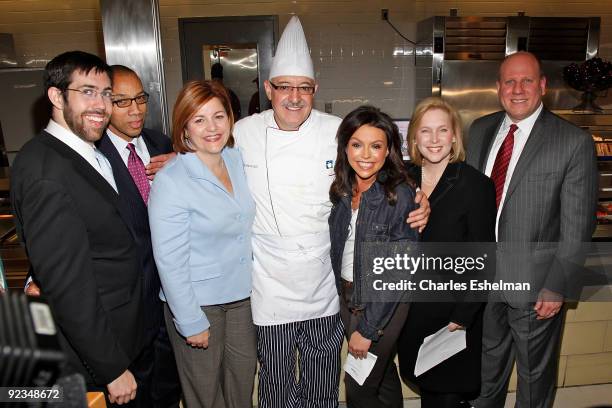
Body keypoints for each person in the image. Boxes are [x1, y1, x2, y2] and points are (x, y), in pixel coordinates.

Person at [233, 16, 429, 408]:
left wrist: (419, 195)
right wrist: (175, 158)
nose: (294, 96)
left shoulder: (337, 131)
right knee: (275, 381)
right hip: (269, 284)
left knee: (324, 382)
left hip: (326, 287)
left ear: (314, 89)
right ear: (268, 89)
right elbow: (204, 155)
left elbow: (380, 158)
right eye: (284, 87)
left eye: (303, 88)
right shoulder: (242, 132)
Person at [11, 50, 143, 405]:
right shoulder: (45, 170)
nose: (100, 104)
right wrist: (111, 368)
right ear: (56, 96)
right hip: (93, 357)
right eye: (87, 92)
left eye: (105, 93)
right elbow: (69, 286)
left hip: (121, 334)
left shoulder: (89, 151)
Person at [467, 51, 598, 408]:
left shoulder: (572, 141)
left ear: (542, 86)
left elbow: (578, 223)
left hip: (537, 285)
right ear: (498, 88)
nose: (518, 89)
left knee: (533, 377)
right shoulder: (479, 130)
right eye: (509, 81)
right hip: (484, 280)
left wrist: (558, 285)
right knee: (485, 370)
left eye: (527, 80)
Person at [148, 80, 257, 408]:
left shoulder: (237, 160)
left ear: (230, 120)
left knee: (241, 388)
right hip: (199, 304)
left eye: (219, 116)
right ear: (184, 128)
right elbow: (169, 260)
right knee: (205, 397)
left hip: (242, 298)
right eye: (199, 120)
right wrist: (190, 320)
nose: (212, 128)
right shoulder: (172, 180)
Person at [397, 97, 496, 408]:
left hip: (452, 314)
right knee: (426, 386)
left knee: (446, 395)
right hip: (410, 311)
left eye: (443, 130)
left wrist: (464, 316)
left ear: (455, 135)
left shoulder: (475, 184)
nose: (435, 139)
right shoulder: (401, 180)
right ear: (413, 137)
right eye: (426, 131)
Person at [98, 65, 181, 407]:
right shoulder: (92, 156)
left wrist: (185, 165)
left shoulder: (161, 143)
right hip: (128, 309)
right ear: (104, 103)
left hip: (171, 303)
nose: (135, 109)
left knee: (171, 390)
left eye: (140, 98)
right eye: (122, 101)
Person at [328, 105, 419, 407]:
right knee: (382, 378)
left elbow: (397, 270)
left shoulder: (398, 194)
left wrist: (368, 329)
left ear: (388, 150)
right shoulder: (343, 189)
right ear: (345, 147)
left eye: (376, 146)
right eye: (357, 144)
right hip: (349, 296)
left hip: (382, 302)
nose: (365, 155)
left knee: (358, 388)